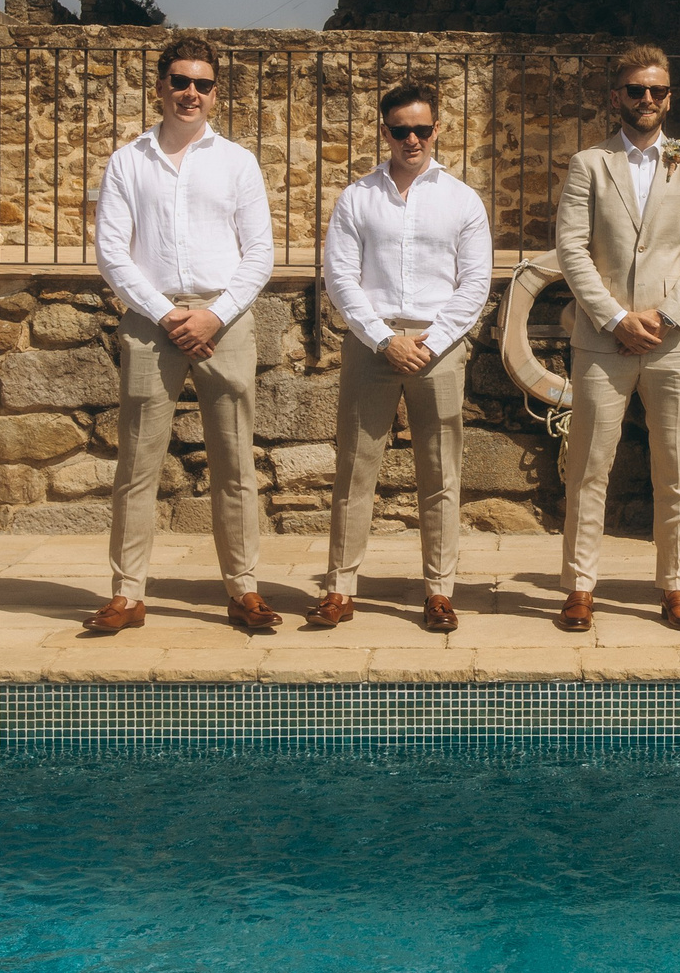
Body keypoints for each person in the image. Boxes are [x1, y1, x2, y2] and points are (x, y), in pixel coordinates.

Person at [86, 35, 279, 635]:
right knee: (138, 464)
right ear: (160, 87)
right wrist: (167, 314)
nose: (190, 93)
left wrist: (214, 315)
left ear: (215, 94)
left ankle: (244, 588)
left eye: (202, 84)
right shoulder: (127, 161)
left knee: (235, 462)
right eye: (180, 81)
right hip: (151, 322)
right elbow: (113, 253)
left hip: (226, 320)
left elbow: (261, 254)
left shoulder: (238, 162)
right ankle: (127, 593)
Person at [308, 82, 491, 634]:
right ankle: (340, 587)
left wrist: (430, 342)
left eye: (422, 129)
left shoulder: (461, 200)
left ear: (438, 130)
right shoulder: (357, 198)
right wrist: (382, 337)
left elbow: (475, 282)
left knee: (440, 474)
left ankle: (439, 590)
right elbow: (339, 277)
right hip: (372, 343)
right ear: (383, 131)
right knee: (355, 471)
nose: (411, 139)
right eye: (400, 129)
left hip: (438, 346)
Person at [552, 44, 680, 631]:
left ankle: (675, 583)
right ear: (615, 96)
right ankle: (579, 583)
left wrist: (667, 316)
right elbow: (571, 249)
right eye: (634, 90)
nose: (646, 99)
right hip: (604, 341)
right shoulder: (588, 164)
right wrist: (615, 318)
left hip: (675, 342)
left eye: (656, 91)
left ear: (670, 97)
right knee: (589, 467)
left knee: (675, 468)